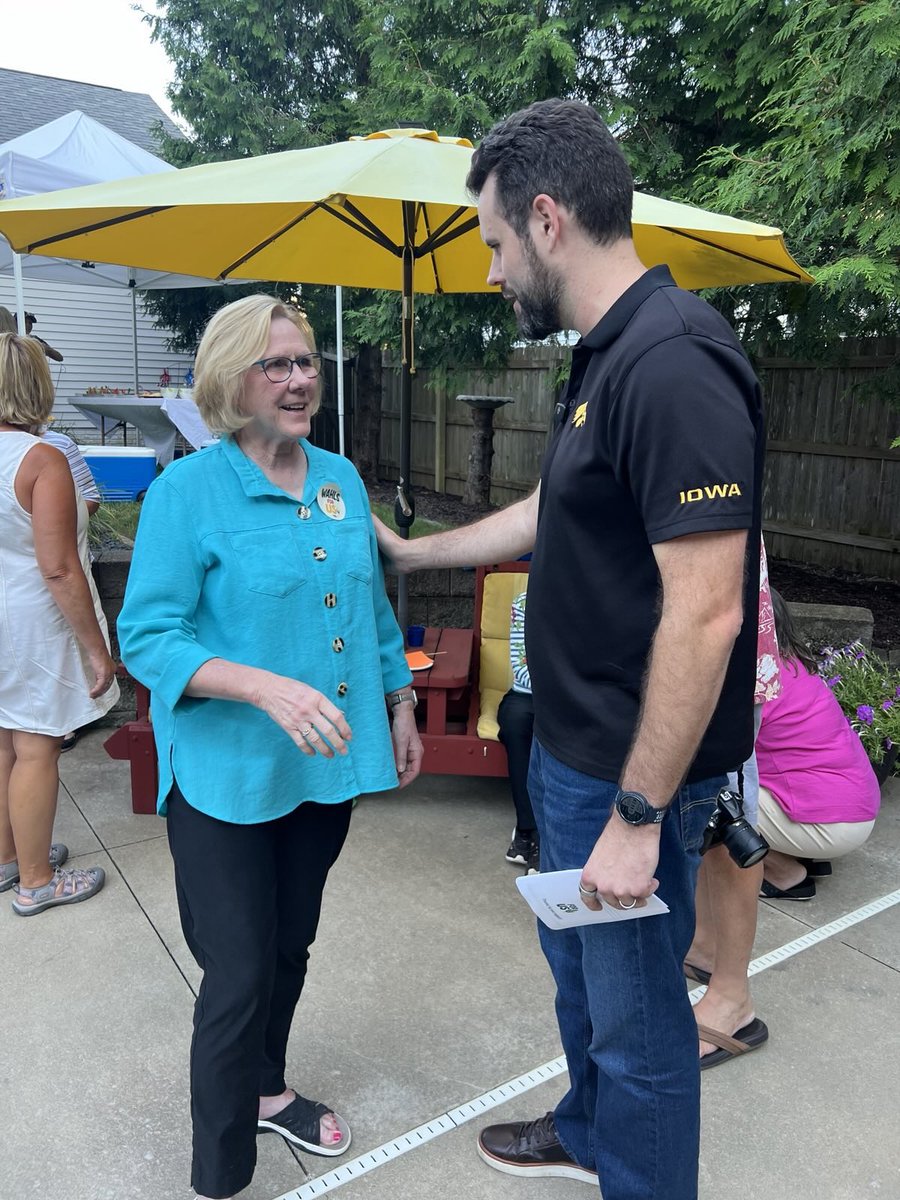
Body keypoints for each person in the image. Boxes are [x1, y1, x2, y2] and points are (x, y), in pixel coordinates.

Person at [374, 98, 764, 1200]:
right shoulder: (607, 355)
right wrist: (414, 554)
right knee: (586, 991)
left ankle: (626, 1149)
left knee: (643, 1038)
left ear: (546, 220)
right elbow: (557, 510)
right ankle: (589, 1131)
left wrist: (640, 820)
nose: (492, 269)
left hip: (634, 780)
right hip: (574, 754)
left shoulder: (676, 363)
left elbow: (707, 613)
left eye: (494, 242)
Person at [116, 294, 423, 1200]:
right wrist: (258, 682)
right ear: (229, 381)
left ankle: (267, 1085)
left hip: (322, 763)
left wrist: (399, 701)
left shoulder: (339, 479)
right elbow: (149, 635)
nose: (299, 379)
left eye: (305, 362)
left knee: (291, 946)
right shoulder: (186, 492)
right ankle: (221, 1176)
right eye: (275, 364)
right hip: (223, 775)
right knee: (239, 969)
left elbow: (368, 604)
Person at [0, 333, 118, 914]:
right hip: (31, 621)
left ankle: (6, 858)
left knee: (2, 739)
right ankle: (36, 880)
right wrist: (97, 649)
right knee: (37, 745)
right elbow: (59, 568)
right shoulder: (38, 458)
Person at [686, 540, 778, 1069]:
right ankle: (701, 947)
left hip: (720, 649)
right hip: (681, 639)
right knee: (700, 813)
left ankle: (733, 997)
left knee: (729, 823)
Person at [754, 589, 881, 900]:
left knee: (701, 794)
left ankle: (785, 872)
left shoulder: (758, 684)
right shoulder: (793, 666)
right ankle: (800, 852)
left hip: (829, 822)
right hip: (854, 806)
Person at [498, 587, 539, 873]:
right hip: (527, 693)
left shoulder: (592, 597)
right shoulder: (525, 602)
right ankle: (528, 831)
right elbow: (521, 670)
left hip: (571, 698)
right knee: (517, 722)